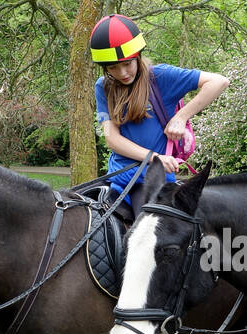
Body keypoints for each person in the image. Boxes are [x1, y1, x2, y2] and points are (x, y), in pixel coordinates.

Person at [91, 13, 229, 219]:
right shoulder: (103, 86)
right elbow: (112, 139)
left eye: (127, 63)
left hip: (153, 179)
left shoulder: (161, 78)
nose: (122, 73)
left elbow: (219, 81)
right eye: (113, 67)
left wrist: (181, 117)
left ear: (137, 56)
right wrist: (154, 157)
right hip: (119, 176)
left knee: (142, 239)